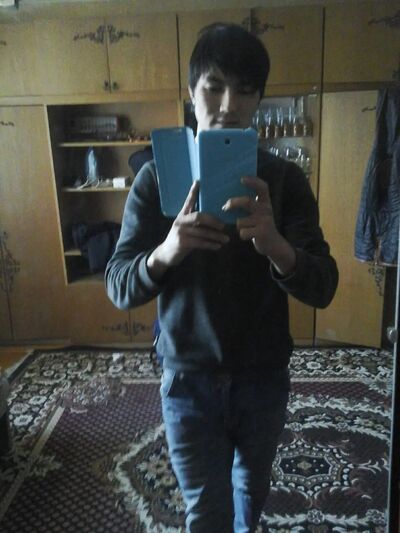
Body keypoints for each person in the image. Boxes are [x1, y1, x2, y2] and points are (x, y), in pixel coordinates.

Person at [105, 22, 338, 533]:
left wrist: (275, 245)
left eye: (245, 90)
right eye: (214, 87)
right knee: (206, 514)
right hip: (188, 379)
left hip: (262, 376)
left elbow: (323, 285)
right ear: (192, 91)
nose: (228, 105)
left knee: (249, 503)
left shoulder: (283, 180)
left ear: (259, 100)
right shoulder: (157, 177)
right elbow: (119, 283)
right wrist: (168, 250)